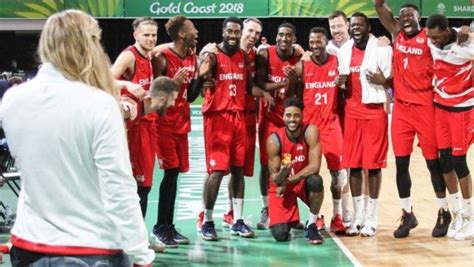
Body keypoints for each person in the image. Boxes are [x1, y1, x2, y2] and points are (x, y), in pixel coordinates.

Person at [0, 10, 157, 266]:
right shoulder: (100, 105)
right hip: (93, 248)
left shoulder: (13, 100)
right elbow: (118, 187)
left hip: (28, 245)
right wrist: (141, 254)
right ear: (89, 44)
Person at [374, 0, 451, 239]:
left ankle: (444, 210)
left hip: (426, 107)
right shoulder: (397, 34)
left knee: (432, 163)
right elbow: (379, 6)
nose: (405, 18)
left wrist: (464, 32)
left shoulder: (430, 38)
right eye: (402, 15)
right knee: (401, 164)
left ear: (420, 18)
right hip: (402, 111)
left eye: (410, 15)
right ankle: (408, 214)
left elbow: (452, 35)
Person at [193, 16, 254, 241]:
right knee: (217, 171)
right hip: (217, 118)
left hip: (238, 117)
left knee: (238, 170)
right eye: (230, 31)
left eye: (237, 32)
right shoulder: (212, 55)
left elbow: (248, 87)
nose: (233, 35)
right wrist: (201, 63)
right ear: (223, 31)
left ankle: (236, 219)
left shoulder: (243, 56)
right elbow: (198, 81)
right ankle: (207, 220)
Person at [338, 12, 392, 237]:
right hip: (352, 113)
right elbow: (342, 81)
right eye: (353, 25)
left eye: (360, 24)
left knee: (374, 167)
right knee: (354, 166)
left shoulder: (381, 48)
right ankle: (358, 216)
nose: (356, 28)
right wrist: (340, 84)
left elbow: (391, 78)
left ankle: (372, 217)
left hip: (374, 114)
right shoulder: (343, 50)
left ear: (368, 26)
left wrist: (385, 81)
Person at [150, 15, 199, 248]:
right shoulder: (162, 58)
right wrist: (174, 85)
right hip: (164, 124)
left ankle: (169, 226)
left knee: (176, 174)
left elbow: (191, 96)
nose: (196, 32)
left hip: (182, 123)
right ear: (181, 33)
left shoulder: (191, 57)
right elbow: (157, 98)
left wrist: (202, 76)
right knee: (169, 175)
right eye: (192, 28)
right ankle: (160, 227)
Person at [293, 27, 347, 235]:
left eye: (319, 42)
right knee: (308, 175)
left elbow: (347, 86)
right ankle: (313, 217)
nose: (315, 46)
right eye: (312, 42)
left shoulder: (337, 62)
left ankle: (338, 215)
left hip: (331, 126)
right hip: (310, 130)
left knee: (337, 174)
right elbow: (293, 93)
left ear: (327, 42)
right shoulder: (303, 66)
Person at [426, 14, 473, 241]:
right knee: (444, 162)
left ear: (445, 32)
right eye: (430, 37)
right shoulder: (432, 42)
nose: (432, 42)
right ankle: (458, 214)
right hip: (440, 108)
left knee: (458, 162)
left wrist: (470, 32)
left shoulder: (467, 44)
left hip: (462, 110)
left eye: (436, 37)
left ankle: (471, 216)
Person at [255, 22, 302, 229]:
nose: (284, 38)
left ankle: (291, 211)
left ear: (294, 39)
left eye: (288, 35)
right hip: (269, 119)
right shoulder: (266, 54)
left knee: (290, 165)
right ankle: (266, 208)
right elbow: (260, 83)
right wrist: (282, 83)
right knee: (267, 165)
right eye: (281, 35)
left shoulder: (300, 58)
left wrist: (291, 82)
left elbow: (295, 93)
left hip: (290, 122)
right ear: (276, 37)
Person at [111, 17, 158, 217]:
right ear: (135, 35)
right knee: (135, 185)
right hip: (131, 128)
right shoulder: (129, 56)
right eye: (146, 35)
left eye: (154, 35)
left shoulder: (149, 56)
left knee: (145, 184)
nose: (150, 39)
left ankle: (140, 236)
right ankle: (133, 238)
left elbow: (162, 48)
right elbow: (105, 78)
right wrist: (127, 85)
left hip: (147, 124)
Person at [266, 97, 324, 244]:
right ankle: (291, 220)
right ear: (283, 116)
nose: (292, 119)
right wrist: (283, 173)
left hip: (300, 181)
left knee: (316, 181)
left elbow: (315, 166)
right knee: (280, 234)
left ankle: (311, 225)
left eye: (296, 115)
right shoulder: (274, 140)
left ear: (302, 116)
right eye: (289, 115)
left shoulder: (311, 131)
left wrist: (289, 179)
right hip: (282, 187)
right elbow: (275, 179)